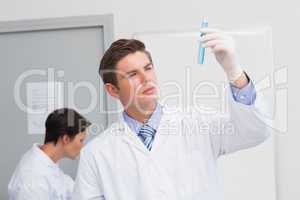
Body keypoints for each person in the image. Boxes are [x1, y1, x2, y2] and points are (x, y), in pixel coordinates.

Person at [73, 28, 270, 200]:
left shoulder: (198, 124)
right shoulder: (97, 155)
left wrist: (234, 71)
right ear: (113, 90)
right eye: (132, 75)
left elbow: (255, 131)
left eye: (148, 68)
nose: (145, 78)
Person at [8, 108, 91, 200]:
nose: (83, 146)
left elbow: (66, 187)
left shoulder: (47, 161)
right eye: (81, 140)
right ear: (66, 139)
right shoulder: (33, 179)